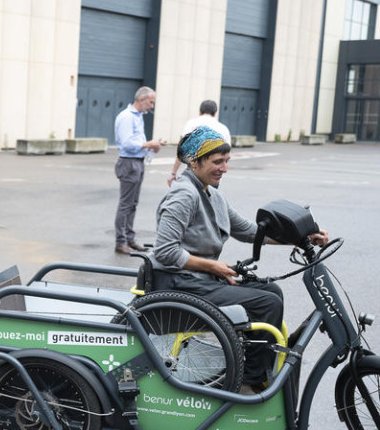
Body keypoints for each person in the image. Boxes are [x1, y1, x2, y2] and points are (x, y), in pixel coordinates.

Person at [150, 127, 328, 392]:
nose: (224, 168)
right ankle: (250, 382)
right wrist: (214, 266)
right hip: (176, 284)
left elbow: (249, 231)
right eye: (217, 162)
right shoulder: (184, 194)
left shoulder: (212, 193)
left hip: (197, 280)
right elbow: (165, 251)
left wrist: (302, 238)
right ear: (194, 162)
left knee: (271, 291)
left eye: (227, 162)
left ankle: (253, 364)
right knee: (265, 303)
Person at [114, 86, 162, 255]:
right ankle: (121, 242)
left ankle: (129, 239)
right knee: (126, 204)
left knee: (133, 204)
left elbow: (136, 143)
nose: (152, 106)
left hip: (137, 162)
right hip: (128, 163)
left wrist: (151, 148)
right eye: (151, 102)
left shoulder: (138, 116)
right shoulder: (127, 117)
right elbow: (127, 144)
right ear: (141, 100)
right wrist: (149, 144)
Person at [168, 100, 231, 186]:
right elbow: (226, 155)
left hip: (194, 172)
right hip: (213, 176)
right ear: (215, 113)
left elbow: (181, 152)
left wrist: (173, 173)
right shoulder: (223, 129)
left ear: (200, 112)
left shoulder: (191, 124)